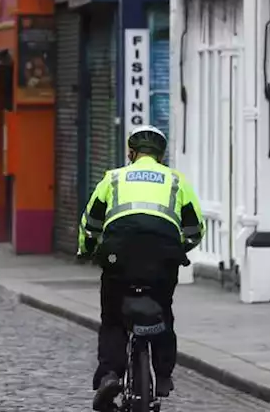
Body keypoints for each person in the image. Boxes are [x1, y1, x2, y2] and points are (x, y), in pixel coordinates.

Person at [79, 124, 204, 410]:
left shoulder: (113, 179)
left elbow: (91, 223)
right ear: (161, 156)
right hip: (162, 258)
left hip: (118, 256)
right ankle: (162, 376)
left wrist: (87, 250)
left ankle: (110, 374)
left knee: (112, 318)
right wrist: (178, 249)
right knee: (163, 310)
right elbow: (195, 227)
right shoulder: (176, 181)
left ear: (131, 153)